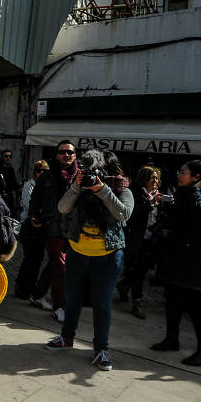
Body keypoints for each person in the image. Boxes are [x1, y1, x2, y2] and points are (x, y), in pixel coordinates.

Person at [45, 150, 133, 371]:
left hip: (108, 256)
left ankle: (101, 349)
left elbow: (123, 214)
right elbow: (62, 207)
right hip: (77, 252)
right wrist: (77, 186)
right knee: (72, 299)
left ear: (109, 170)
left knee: (102, 305)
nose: (94, 174)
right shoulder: (81, 188)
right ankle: (66, 338)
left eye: (99, 171)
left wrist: (101, 189)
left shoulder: (123, 189)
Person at [151, 160, 201, 366]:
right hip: (178, 254)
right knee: (172, 299)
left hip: (197, 258)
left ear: (197, 177)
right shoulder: (184, 190)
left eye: (183, 172)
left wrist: (194, 192)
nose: (178, 174)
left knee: (195, 305)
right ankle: (171, 339)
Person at [27, 140, 79, 322]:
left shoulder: (80, 176)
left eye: (70, 152)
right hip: (52, 226)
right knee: (61, 266)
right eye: (62, 152)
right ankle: (60, 306)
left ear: (75, 155)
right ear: (56, 155)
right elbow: (35, 198)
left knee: (55, 265)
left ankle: (38, 293)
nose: (66, 155)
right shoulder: (47, 176)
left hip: (73, 228)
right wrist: (33, 215)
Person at [119, 165, 163, 319]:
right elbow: (131, 213)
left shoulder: (157, 195)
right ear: (144, 179)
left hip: (151, 240)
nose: (155, 181)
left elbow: (158, 218)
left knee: (141, 270)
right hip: (136, 239)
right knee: (137, 270)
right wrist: (150, 204)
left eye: (157, 178)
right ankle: (138, 302)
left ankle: (124, 284)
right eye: (152, 178)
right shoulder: (135, 193)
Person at [15, 160, 50, 299]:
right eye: (39, 171)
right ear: (35, 172)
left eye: (44, 171)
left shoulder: (48, 187)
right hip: (29, 225)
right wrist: (41, 212)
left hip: (42, 227)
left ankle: (30, 287)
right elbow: (27, 203)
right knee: (30, 258)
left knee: (38, 259)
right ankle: (22, 287)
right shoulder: (29, 185)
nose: (42, 173)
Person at [0, 149, 20, 214]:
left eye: (10, 156)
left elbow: (14, 182)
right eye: (6, 156)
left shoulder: (10, 168)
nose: (8, 158)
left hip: (9, 196)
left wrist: (18, 187)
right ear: (2, 157)